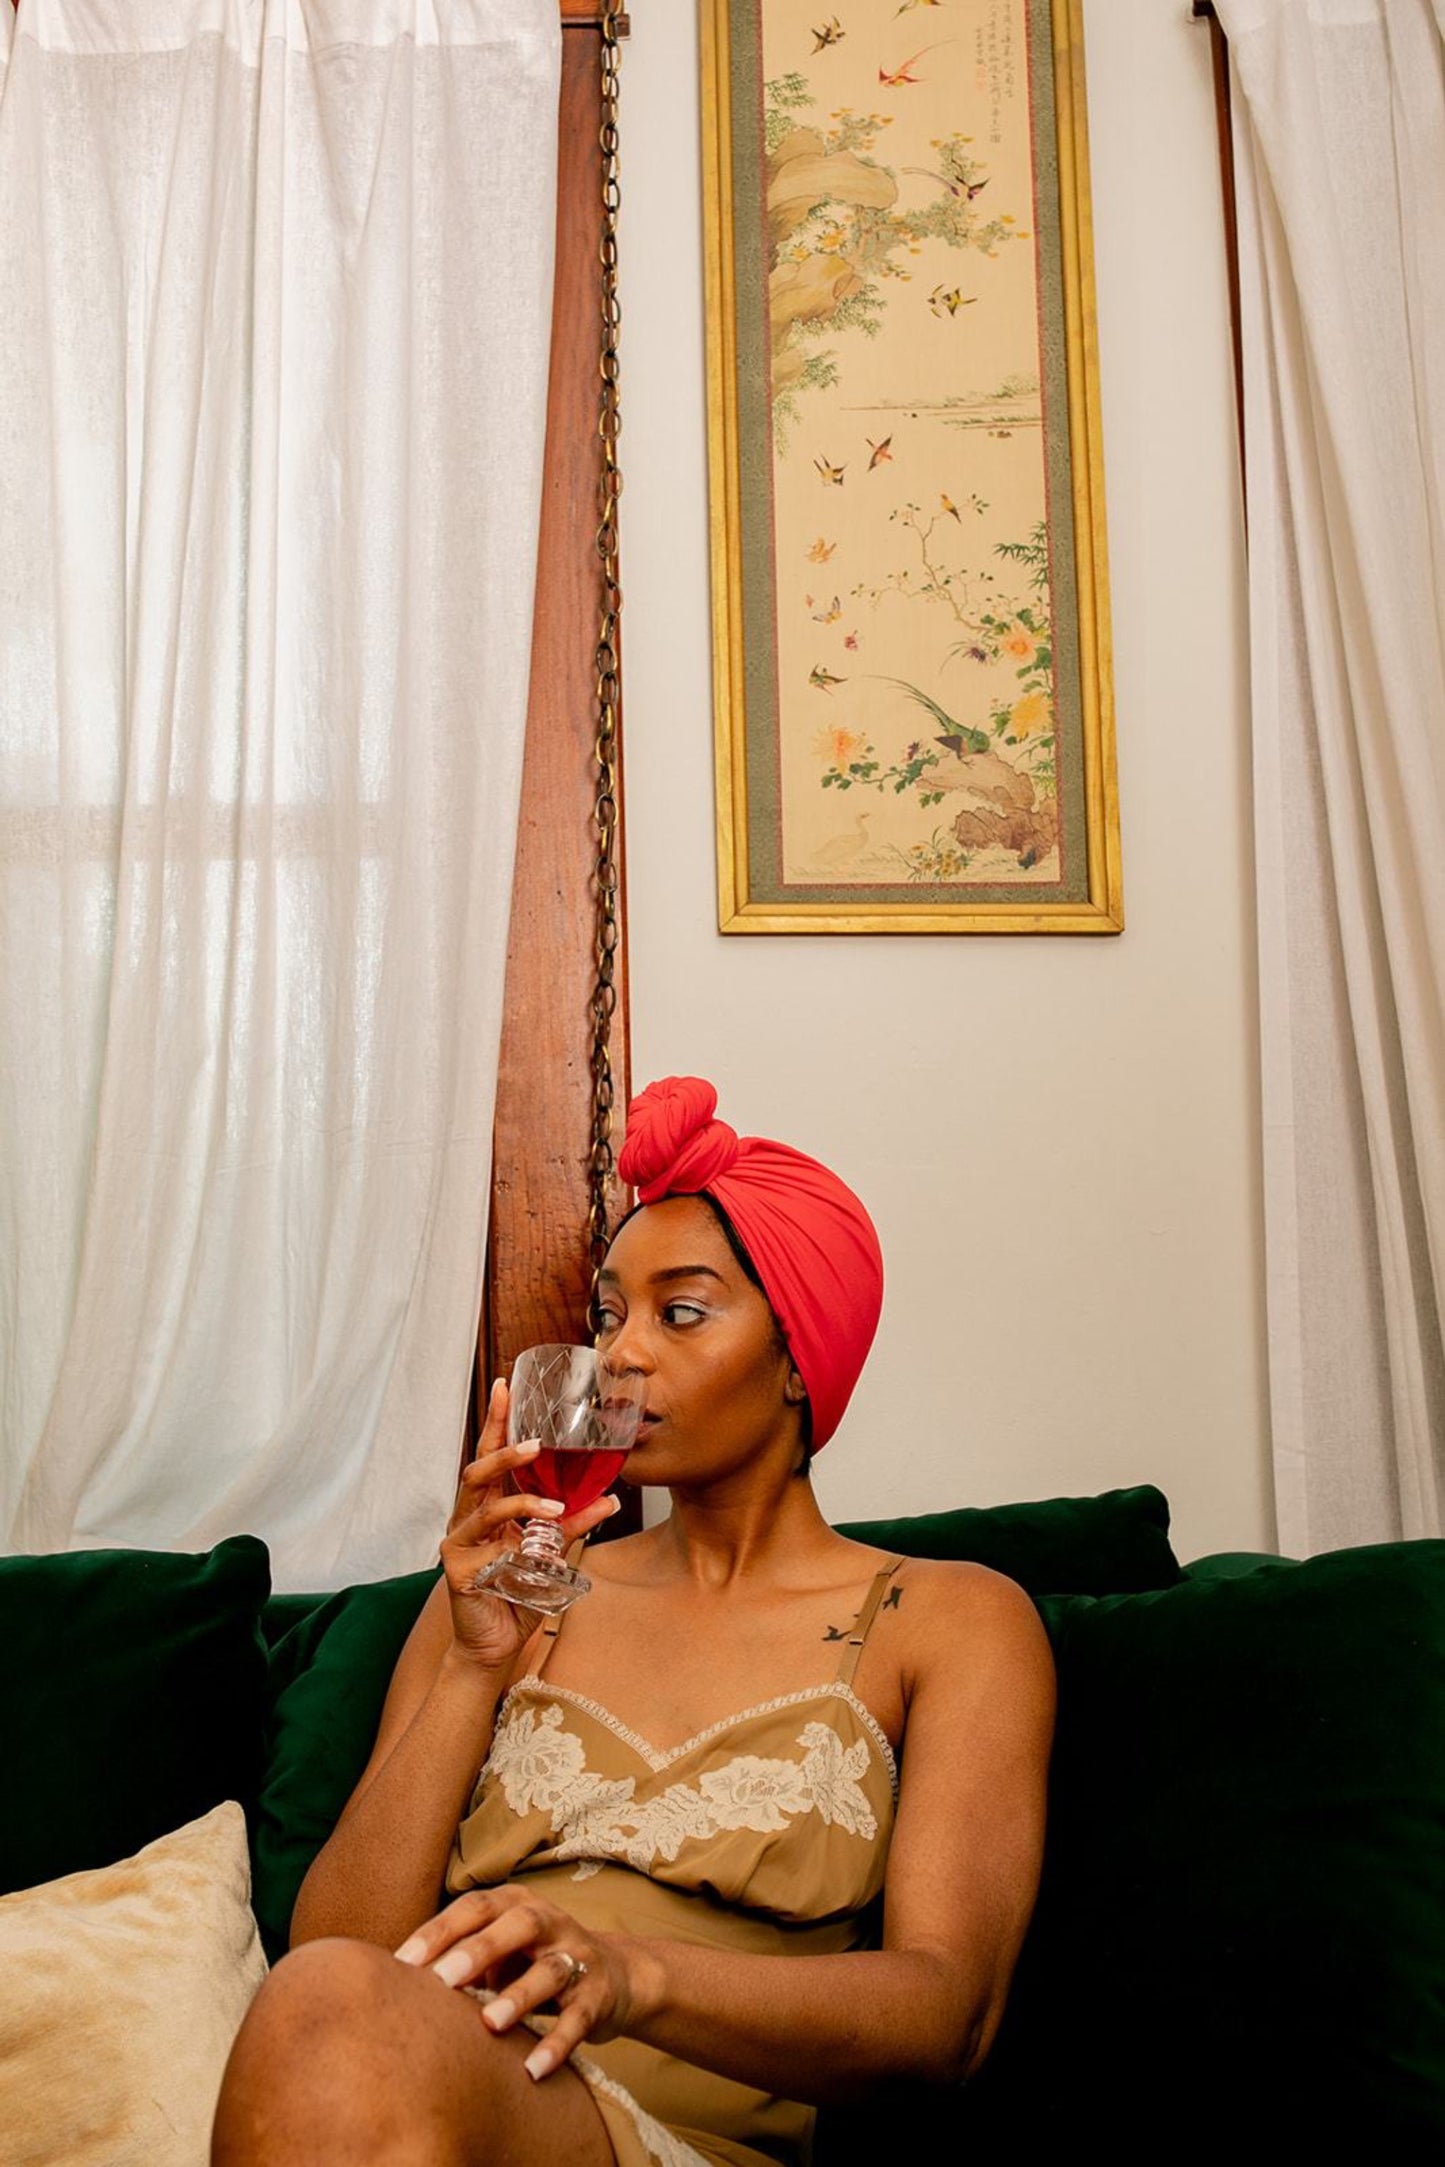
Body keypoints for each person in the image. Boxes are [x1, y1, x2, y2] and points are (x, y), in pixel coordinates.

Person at [212, 1076, 1055, 2167]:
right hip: (428, 2096)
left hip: (680, 2140)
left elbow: (950, 2015)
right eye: (608, 1313)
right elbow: (331, 1960)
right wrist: (475, 1668)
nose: (619, 1354)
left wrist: (624, 1973)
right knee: (333, 2010)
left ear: (799, 1356)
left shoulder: (948, 1620)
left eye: (681, 1311)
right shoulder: (519, 1592)